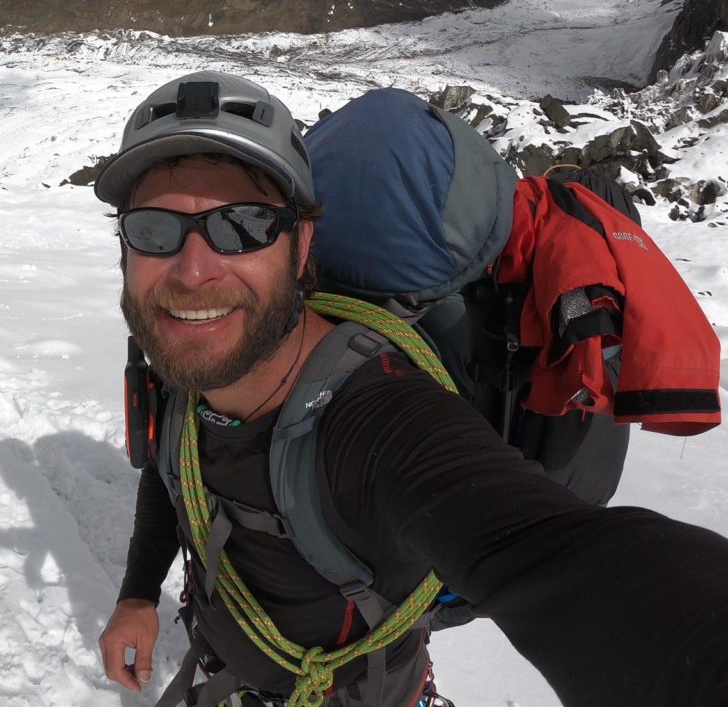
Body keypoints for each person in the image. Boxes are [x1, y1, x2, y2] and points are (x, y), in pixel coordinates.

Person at [97, 69, 728, 707]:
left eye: (245, 226)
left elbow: (562, 556)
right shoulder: (190, 373)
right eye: (154, 229)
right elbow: (172, 468)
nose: (194, 269)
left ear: (301, 243)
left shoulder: (377, 422)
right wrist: (138, 594)